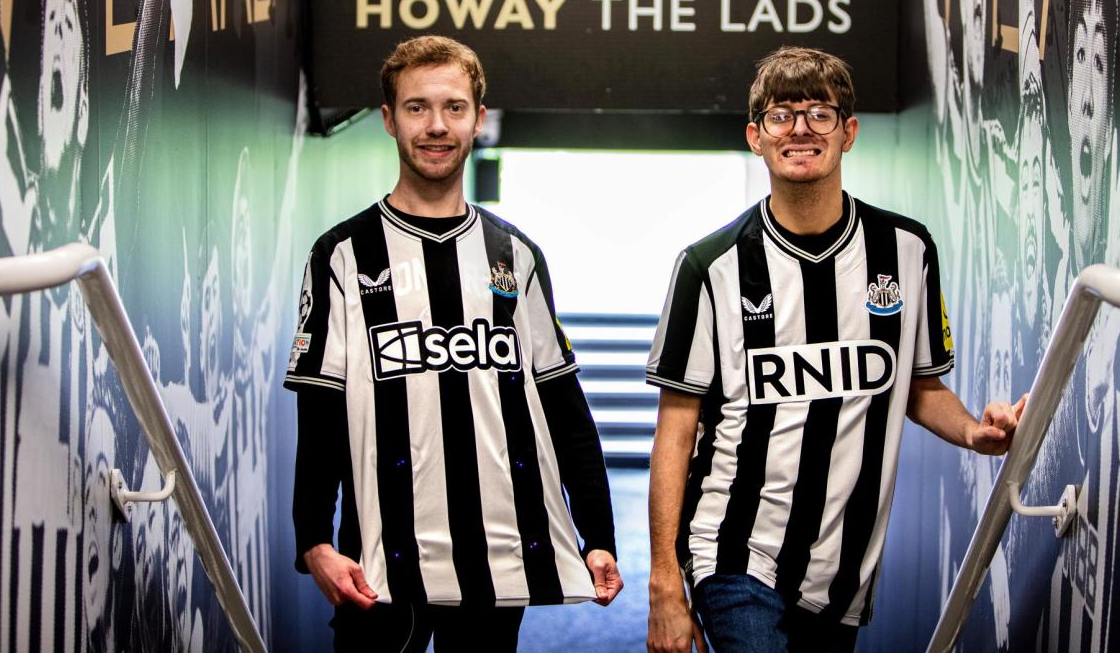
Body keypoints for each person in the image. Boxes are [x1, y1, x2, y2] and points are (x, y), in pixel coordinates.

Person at [645, 46, 1027, 653]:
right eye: (780, 115)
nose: (800, 129)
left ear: (848, 132)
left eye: (819, 113)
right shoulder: (708, 266)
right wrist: (665, 584)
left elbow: (920, 387)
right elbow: (676, 429)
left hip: (843, 571)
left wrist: (974, 434)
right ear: (755, 136)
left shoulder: (907, 250)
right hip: (734, 551)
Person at [285, 35, 622, 652]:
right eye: (416, 107)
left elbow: (564, 409)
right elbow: (321, 410)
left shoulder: (516, 256)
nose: (436, 126)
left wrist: (598, 532)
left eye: (454, 107)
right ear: (389, 120)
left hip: (497, 563)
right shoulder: (342, 254)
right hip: (378, 568)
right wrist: (315, 541)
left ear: (478, 120)